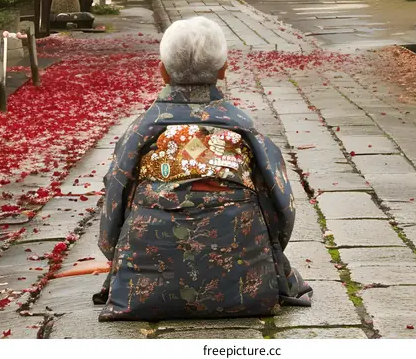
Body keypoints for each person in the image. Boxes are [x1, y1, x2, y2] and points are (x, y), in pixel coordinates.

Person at [96, 16, 312, 321]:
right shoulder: (244, 127)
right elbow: (281, 210)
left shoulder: (141, 130)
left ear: (162, 71)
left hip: (146, 273)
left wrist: (116, 255)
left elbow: (113, 207)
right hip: (243, 274)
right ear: (223, 70)